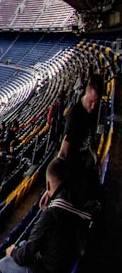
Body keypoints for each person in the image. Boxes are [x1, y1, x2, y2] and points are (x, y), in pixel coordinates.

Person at [56, 72, 103, 209]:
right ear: (86, 93)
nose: (93, 106)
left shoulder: (92, 111)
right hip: (70, 173)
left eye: (96, 102)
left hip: (82, 166)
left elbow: (90, 139)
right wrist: (52, 186)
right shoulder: (74, 116)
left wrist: (96, 158)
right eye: (91, 102)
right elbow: (63, 152)